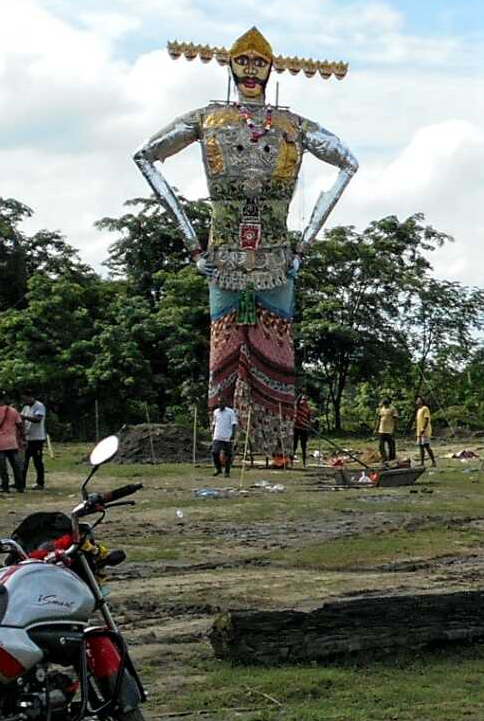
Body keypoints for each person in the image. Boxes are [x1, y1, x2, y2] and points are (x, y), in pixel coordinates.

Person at [134, 26, 357, 456]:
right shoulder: (208, 119)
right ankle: (227, 447)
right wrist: (193, 244)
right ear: (231, 66)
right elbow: (145, 155)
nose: (251, 71)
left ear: (272, 69)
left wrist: (304, 244)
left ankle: (276, 448)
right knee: (222, 351)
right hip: (223, 259)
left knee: (279, 349)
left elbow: (348, 161)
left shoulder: (292, 125)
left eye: (260, 64)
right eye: (244, 63)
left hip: (278, 260)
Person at [0, 390, 25, 494]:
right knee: (16, 466)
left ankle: (5, 486)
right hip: (12, 442)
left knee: (2, 467)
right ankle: (20, 486)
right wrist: (22, 438)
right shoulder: (13, 411)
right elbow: (20, 426)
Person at [21, 389, 46, 490]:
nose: (24, 401)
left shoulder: (39, 406)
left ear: (30, 397)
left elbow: (38, 419)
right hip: (27, 437)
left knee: (37, 461)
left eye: (25, 399)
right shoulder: (26, 407)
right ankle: (21, 482)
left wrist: (25, 417)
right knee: (23, 461)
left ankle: (40, 482)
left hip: (37, 438)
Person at [211, 398, 238, 476]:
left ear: (225, 403)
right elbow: (214, 423)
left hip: (227, 436)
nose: (220, 404)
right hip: (217, 436)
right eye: (219, 402)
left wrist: (233, 434)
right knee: (214, 452)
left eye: (222, 402)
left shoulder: (230, 412)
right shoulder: (215, 412)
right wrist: (213, 433)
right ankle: (218, 468)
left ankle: (227, 471)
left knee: (228, 454)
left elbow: (234, 424)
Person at [375, 397, 398, 463]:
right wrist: (376, 429)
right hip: (382, 430)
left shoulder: (392, 409)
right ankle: (384, 458)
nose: (385, 405)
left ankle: (392, 458)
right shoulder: (381, 409)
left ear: (389, 403)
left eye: (386, 403)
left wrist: (394, 429)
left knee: (391, 445)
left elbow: (395, 419)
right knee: (381, 445)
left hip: (389, 430)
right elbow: (378, 419)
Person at [415, 396, 436, 467]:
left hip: (425, 431)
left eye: (418, 399)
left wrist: (423, 428)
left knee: (426, 446)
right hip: (419, 431)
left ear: (422, 401)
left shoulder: (425, 408)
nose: (417, 401)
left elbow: (426, 419)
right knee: (420, 447)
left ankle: (433, 462)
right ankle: (422, 462)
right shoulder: (418, 410)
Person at [292, 394, 312, 468]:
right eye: (303, 399)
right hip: (296, 427)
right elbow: (296, 403)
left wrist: (309, 425)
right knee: (294, 445)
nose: (304, 401)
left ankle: (304, 463)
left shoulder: (308, 408)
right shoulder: (298, 405)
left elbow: (309, 418)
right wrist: (300, 395)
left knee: (303, 446)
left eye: (305, 400)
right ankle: (291, 462)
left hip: (304, 428)